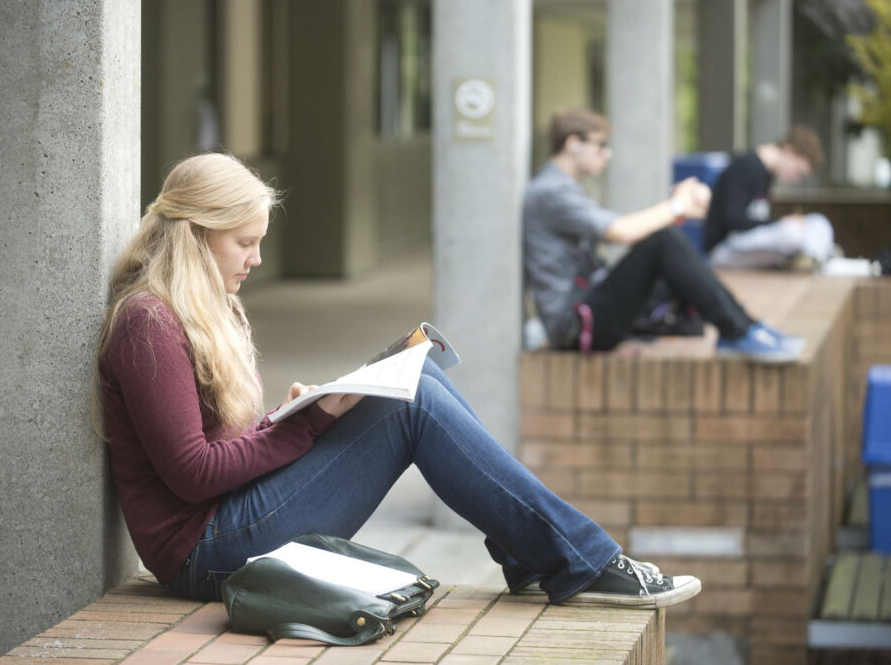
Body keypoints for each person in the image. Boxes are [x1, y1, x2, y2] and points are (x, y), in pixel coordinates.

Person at [95, 152, 701, 611]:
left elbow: (214, 441)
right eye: (245, 244)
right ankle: (575, 560)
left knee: (418, 377)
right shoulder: (148, 323)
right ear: (197, 234)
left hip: (230, 519)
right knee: (412, 401)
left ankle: (539, 553)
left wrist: (281, 420)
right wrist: (311, 425)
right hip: (206, 554)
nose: (254, 260)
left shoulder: (205, 308)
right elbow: (191, 472)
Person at [523, 108, 801, 362]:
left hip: (589, 303)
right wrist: (678, 206)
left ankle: (745, 326)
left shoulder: (564, 188)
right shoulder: (551, 192)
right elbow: (622, 231)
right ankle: (738, 331)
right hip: (574, 325)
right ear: (574, 144)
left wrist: (678, 209)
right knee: (664, 241)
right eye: (601, 145)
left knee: (666, 244)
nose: (608, 154)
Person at [705, 126, 833, 270]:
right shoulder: (746, 165)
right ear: (788, 151)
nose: (796, 179)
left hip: (746, 244)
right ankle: (804, 257)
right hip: (724, 249)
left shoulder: (767, 174)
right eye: (798, 172)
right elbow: (732, 219)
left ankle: (809, 258)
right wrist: (779, 221)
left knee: (819, 222)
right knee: (791, 231)